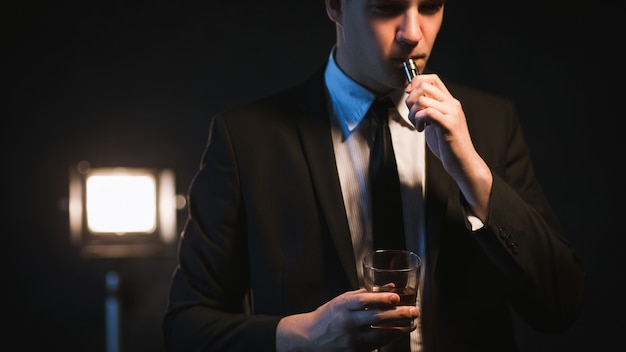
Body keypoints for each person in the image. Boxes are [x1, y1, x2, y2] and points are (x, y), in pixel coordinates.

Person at [163, 0, 585, 351]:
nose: (413, 33)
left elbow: (560, 305)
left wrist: (474, 175)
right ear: (335, 6)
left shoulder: (491, 122)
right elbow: (185, 328)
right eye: (387, 7)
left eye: (431, 6)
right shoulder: (246, 139)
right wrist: (305, 337)